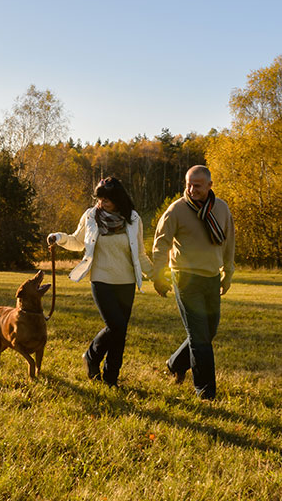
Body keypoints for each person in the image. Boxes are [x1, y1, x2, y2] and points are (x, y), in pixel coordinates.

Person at [47, 177, 153, 388]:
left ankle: (111, 378)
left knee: (120, 333)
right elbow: (78, 241)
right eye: (99, 198)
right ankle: (91, 356)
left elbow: (140, 254)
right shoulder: (91, 216)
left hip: (126, 282)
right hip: (101, 279)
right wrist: (58, 237)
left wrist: (157, 276)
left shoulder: (133, 219)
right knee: (116, 325)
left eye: (107, 199)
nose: (101, 203)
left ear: (118, 199)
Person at [152, 165, 235, 400]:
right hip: (185, 277)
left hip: (211, 277)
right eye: (188, 184)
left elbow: (229, 243)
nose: (191, 189)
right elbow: (160, 244)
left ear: (210, 185)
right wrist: (158, 276)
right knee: (199, 337)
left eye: (197, 185)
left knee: (208, 331)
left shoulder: (221, 208)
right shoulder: (176, 210)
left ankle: (175, 363)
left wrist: (227, 273)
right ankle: (205, 391)